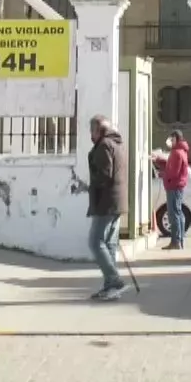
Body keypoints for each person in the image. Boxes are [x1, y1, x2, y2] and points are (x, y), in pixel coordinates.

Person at [85, 114, 127, 301]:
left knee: (95, 242)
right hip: (117, 202)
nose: (90, 135)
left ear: (99, 130)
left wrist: (92, 185)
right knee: (109, 243)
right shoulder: (117, 144)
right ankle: (110, 286)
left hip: (106, 202)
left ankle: (114, 280)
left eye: (92, 131)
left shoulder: (104, 146)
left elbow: (104, 174)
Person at [160, 131, 191, 250]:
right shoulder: (181, 151)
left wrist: (163, 174)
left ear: (177, 139)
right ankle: (179, 240)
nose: (170, 142)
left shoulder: (177, 153)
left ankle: (176, 241)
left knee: (174, 214)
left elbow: (173, 172)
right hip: (177, 185)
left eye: (172, 139)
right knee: (178, 213)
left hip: (174, 186)